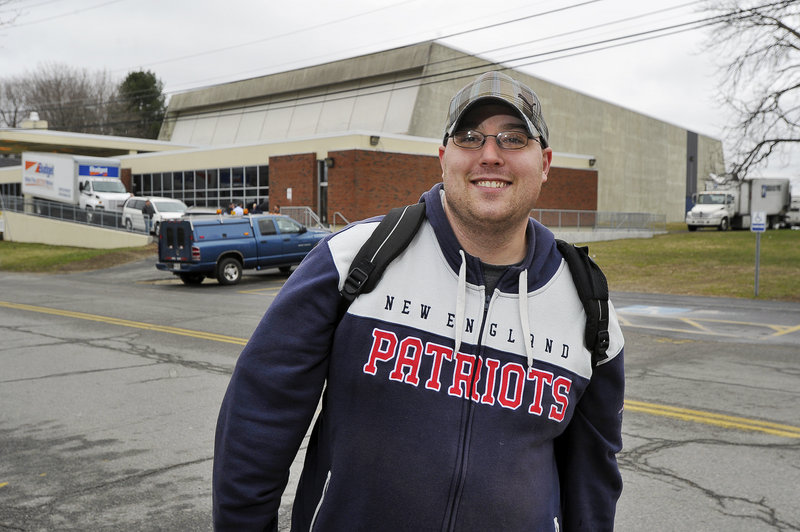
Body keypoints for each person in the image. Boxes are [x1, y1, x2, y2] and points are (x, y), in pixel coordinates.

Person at [213, 71, 625, 531]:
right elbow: (257, 419)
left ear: (545, 162)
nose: (490, 155)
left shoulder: (588, 305)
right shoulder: (353, 260)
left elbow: (593, 480)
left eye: (514, 139)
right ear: (442, 157)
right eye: (470, 138)